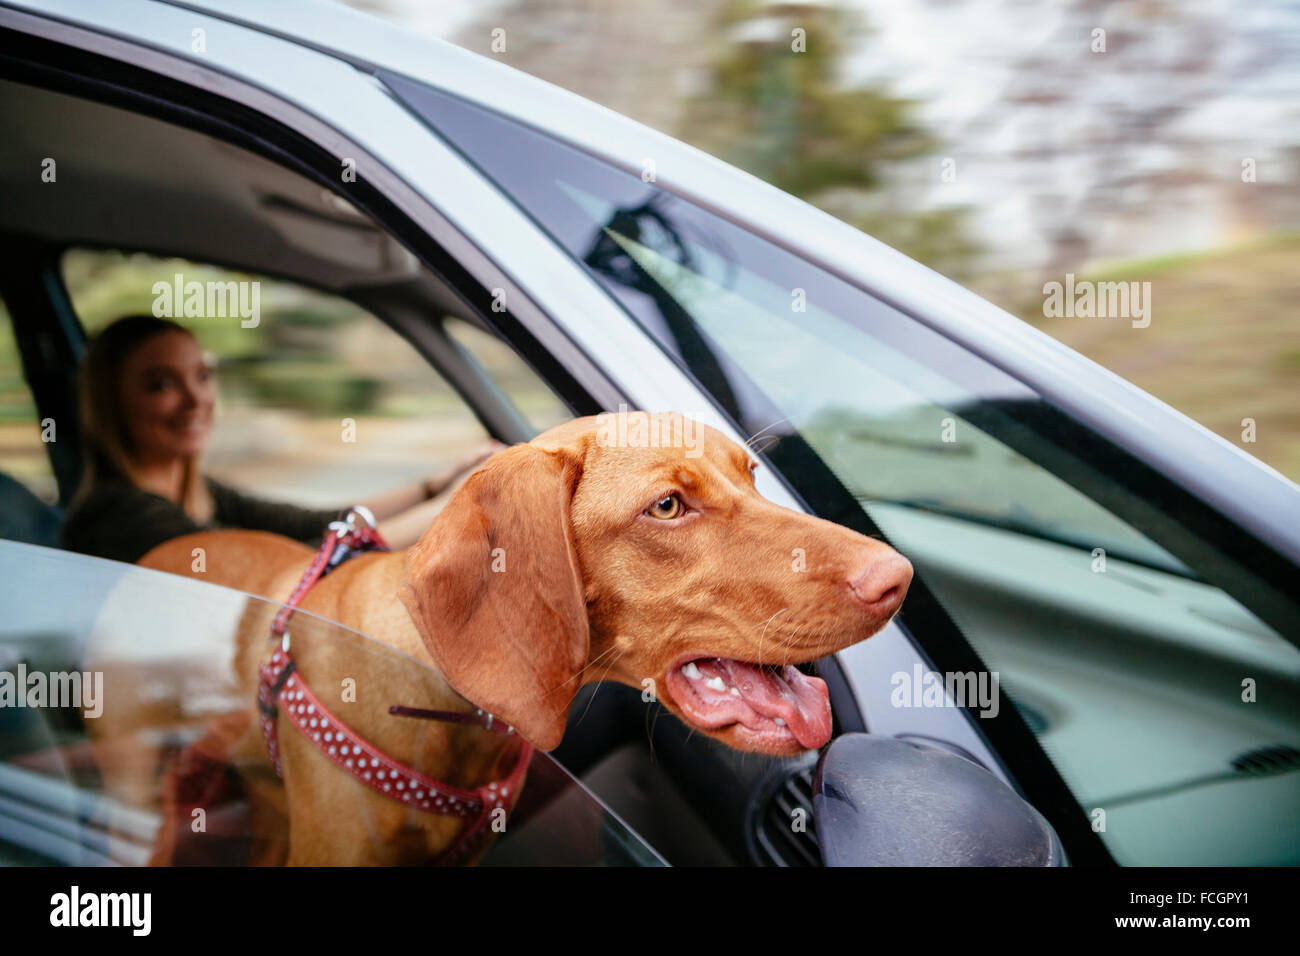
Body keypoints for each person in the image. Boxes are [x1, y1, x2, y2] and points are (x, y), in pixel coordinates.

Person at [60, 315, 502, 564]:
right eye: (161, 385)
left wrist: (436, 485)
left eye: (202, 376)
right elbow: (292, 575)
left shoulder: (199, 493)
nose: (196, 400)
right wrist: (458, 505)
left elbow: (320, 524)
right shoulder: (119, 516)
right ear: (112, 404)